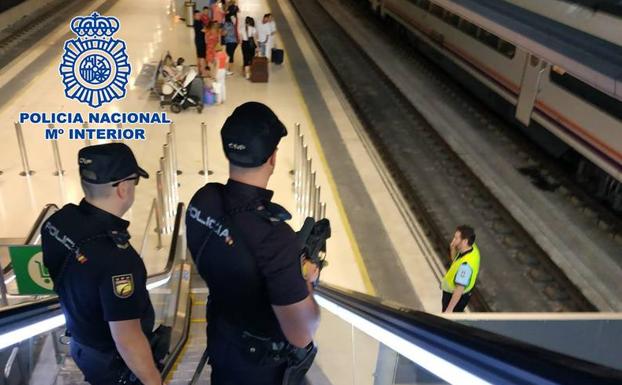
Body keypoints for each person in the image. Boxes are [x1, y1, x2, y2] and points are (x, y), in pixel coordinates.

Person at [186, 102, 321, 384]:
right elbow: (302, 333)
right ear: (272, 158)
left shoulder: (203, 201)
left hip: (223, 345)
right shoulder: (275, 237)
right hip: (259, 370)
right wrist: (306, 279)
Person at [41, 143, 163, 385]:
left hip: (81, 346)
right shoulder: (118, 259)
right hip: (115, 366)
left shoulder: (57, 222)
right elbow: (127, 338)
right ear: (123, 188)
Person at [441, 225, 481, 313]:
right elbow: (455, 261)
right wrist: (452, 248)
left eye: (456, 238)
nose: (453, 240)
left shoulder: (465, 267)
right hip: (456, 294)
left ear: (465, 241)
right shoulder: (472, 248)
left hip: (454, 298)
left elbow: (459, 290)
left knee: (450, 321)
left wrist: (449, 310)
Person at [193, 10, 209, 77]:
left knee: (199, 56)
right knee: (202, 57)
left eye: (199, 15)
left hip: (199, 41)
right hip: (200, 42)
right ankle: (203, 73)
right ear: (194, 16)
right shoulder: (197, 23)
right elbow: (204, 30)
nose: (199, 16)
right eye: (197, 15)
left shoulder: (200, 21)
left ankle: (200, 71)